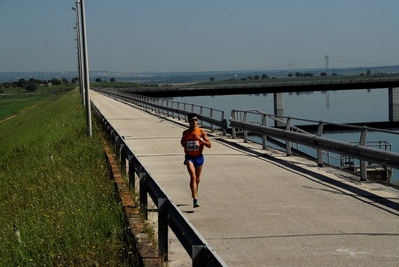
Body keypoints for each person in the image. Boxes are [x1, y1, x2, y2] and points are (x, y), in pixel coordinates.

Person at [180, 113, 211, 208]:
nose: (194, 122)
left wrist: (200, 139)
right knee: (193, 177)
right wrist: (184, 143)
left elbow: (209, 145)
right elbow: (182, 142)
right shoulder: (185, 133)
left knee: (197, 178)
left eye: (196, 120)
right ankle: (195, 199)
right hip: (189, 157)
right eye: (192, 120)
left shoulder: (201, 132)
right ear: (188, 121)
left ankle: (195, 191)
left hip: (199, 157)